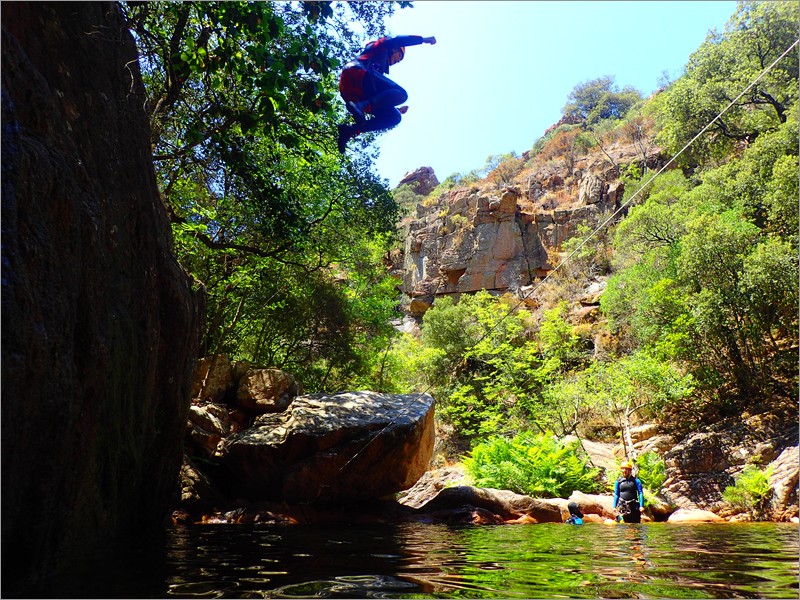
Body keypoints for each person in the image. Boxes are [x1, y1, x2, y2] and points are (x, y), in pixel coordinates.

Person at [337, 34, 436, 152]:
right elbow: (397, 39)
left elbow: (381, 97)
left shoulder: (378, 69)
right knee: (401, 94)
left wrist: (397, 109)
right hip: (356, 72)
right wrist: (424, 39)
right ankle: (361, 106)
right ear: (394, 48)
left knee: (394, 117)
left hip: (353, 93)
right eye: (399, 56)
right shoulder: (381, 46)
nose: (398, 61)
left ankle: (350, 130)